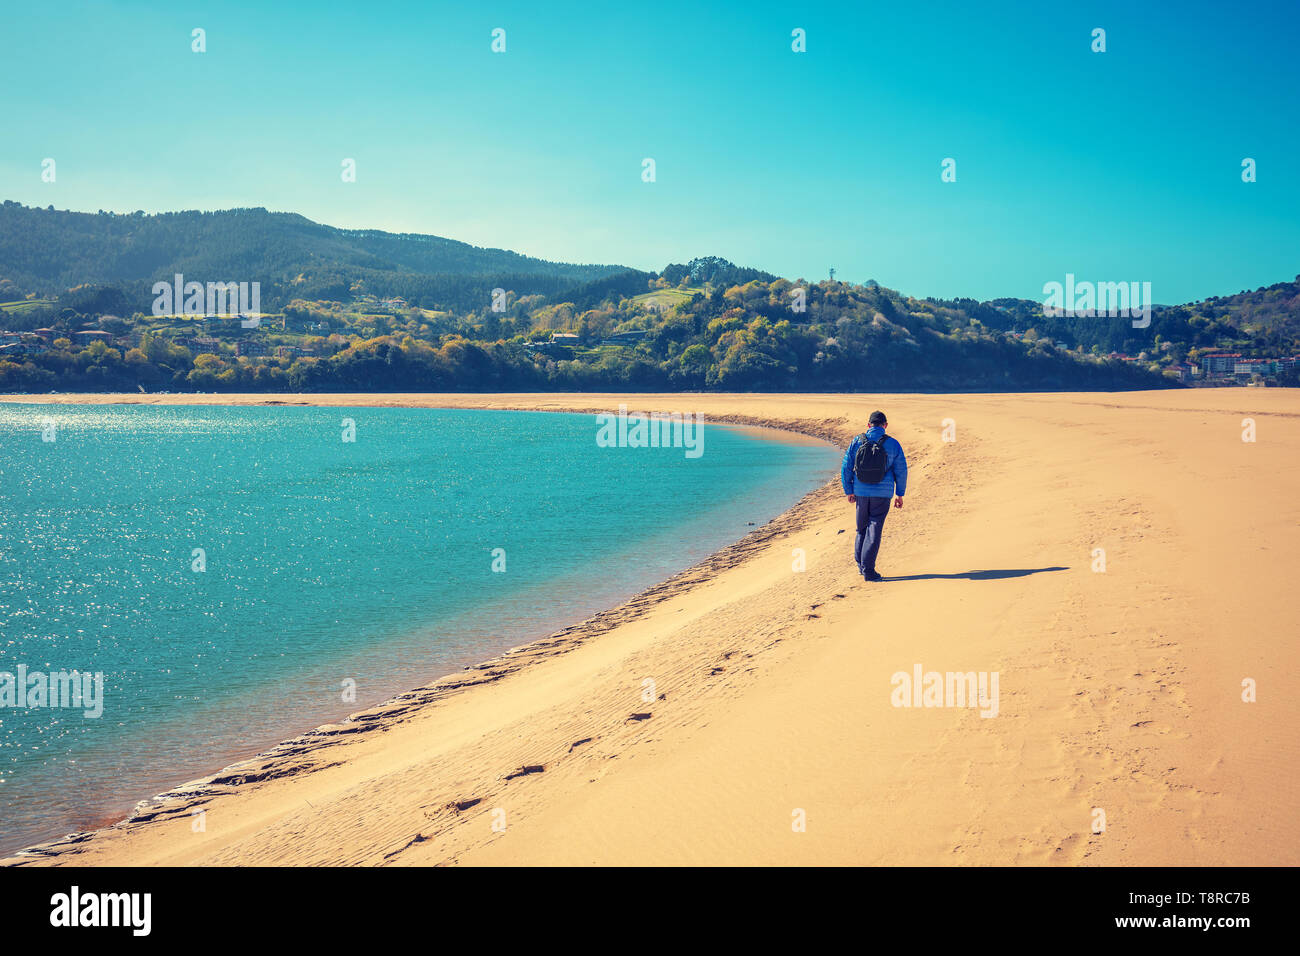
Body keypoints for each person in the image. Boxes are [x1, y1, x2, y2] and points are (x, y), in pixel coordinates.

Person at [840, 410, 907, 582]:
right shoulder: (893, 444)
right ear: (885, 425)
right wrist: (900, 494)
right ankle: (869, 570)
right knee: (874, 530)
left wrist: (849, 490)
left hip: (861, 493)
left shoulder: (857, 441)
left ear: (868, 425)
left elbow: (846, 467)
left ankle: (861, 566)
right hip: (883, 494)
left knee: (861, 529)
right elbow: (901, 470)